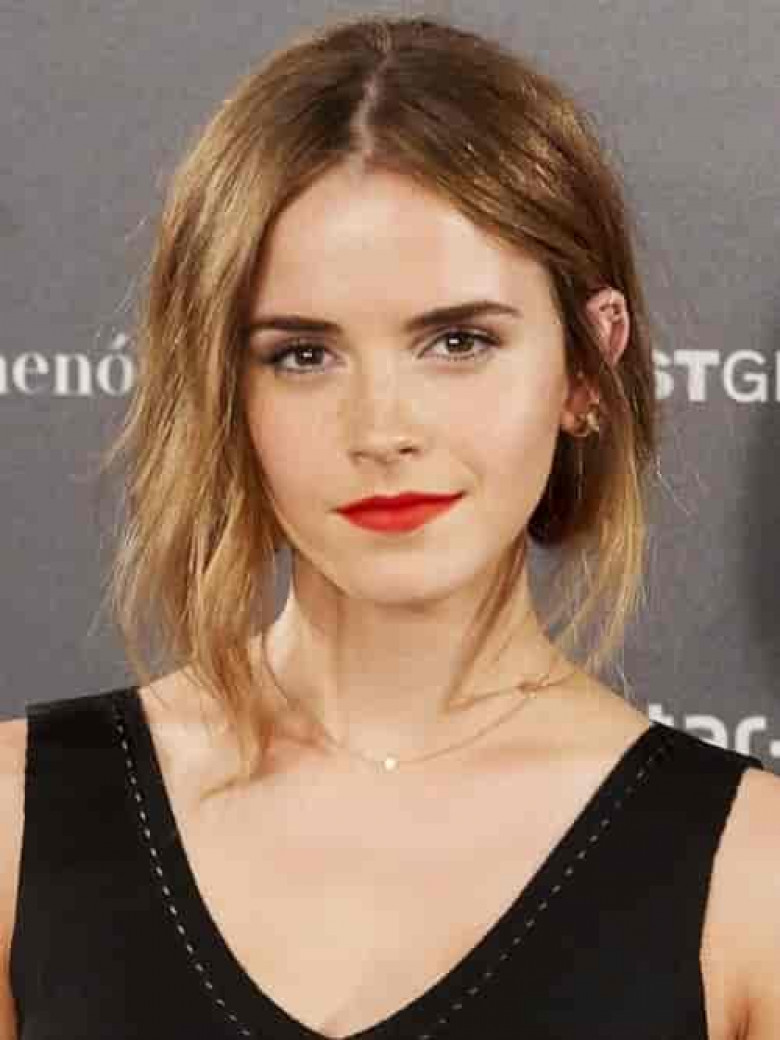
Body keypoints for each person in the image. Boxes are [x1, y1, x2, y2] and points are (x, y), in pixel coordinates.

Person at [1, 12, 779, 1040]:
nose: (381, 431)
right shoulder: (17, 820)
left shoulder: (752, 877)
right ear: (223, 387)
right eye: (303, 355)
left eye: (458, 341)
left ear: (587, 367)